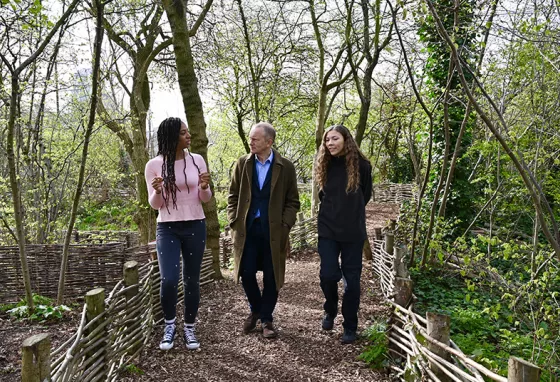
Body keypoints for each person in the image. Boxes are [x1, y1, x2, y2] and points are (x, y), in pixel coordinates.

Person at [144, 117, 212, 351]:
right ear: (172, 137)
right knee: (169, 279)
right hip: (168, 227)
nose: (188, 135)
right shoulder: (154, 165)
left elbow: (206, 198)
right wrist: (157, 190)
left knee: (192, 280)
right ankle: (170, 325)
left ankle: (189, 327)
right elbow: (156, 205)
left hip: (195, 224)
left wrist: (204, 188)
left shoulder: (198, 160)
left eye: (187, 131)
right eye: (183, 133)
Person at [227, 122, 300, 339]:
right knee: (246, 272)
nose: (251, 142)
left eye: (255, 139)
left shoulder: (285, 167)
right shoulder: (242, 164)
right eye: (250, 138)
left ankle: (267, 319)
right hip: (247, 230)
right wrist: (233, 220)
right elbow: (232, 196)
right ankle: (256, 309)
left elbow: (292, 201)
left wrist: (285, 225)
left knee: (272, 275)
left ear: (269, 142)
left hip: (274, 231)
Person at [314, 124, 372, 344]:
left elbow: (365, 196)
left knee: (352, 283)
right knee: (328, 275)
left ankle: (350, 326)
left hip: (353, 231)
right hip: (327, 228)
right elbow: (323, 195)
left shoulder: (363, 166)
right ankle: (330, 308)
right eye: (327, 140)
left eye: (334, 139)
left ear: (346, 140)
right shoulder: (324, 164)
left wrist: (351, 213)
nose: (330, 143)